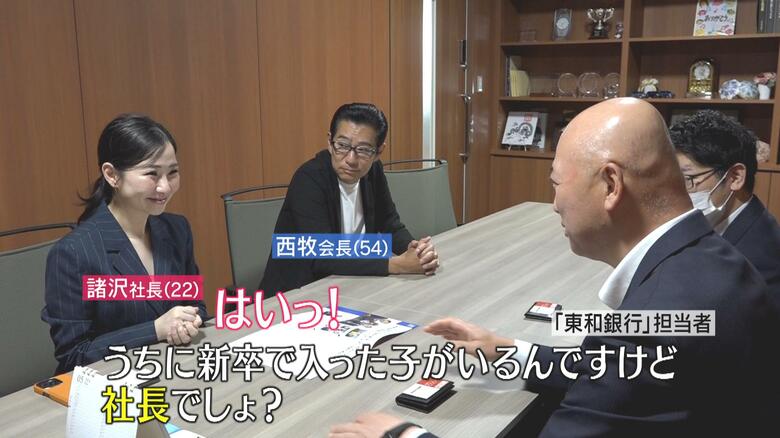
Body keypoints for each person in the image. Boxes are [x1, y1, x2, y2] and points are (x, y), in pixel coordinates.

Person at [331, 98, 779, 437]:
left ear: (611, 184)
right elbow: (310, 250)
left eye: (556, 185)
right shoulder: (708, 259)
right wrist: (514, 353)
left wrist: (403, 435)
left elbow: (626, 360)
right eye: (344, 146)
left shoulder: (665, 308)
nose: (554, 205)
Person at [42, 114, 208, 373]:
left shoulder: (177, 230)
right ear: (112, 175)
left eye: (173, 172)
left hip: (174, 367)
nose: (165, 187)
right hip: (112, 383)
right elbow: (74, 355)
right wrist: (155, 329)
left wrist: (189, 321)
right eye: (151, 174)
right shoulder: (73, 253)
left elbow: (195, 306)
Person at [260, 103, 439, 295]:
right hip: (299, 292)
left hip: (353, 282)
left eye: (363, 150)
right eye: (343, 146)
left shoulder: (373, 172)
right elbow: (322, 255)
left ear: (379, 152)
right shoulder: (309, 179)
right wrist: (397, 265)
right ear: (330, 142)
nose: (351, 159)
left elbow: (390, 224)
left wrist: (415, 251)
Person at [670, 110, 780, 301]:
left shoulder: (761, 257)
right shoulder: (711, 221)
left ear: (735, 177)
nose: (674, 191)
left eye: (687, 178)